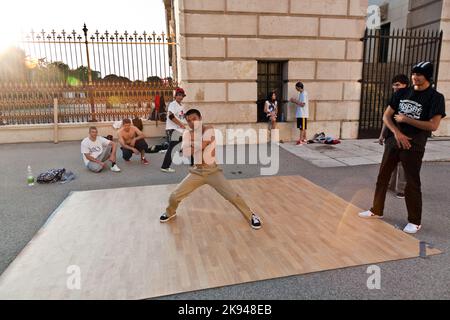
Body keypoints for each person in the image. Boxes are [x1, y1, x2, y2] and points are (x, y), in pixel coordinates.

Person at [359, 61, 446, 234]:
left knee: (411, 183)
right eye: (414, 73)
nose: (415, 76)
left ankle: (415, 221)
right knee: (382, 177)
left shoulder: (435, 97)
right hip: (394, 142)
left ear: (427, 76)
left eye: (419, 74)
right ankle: (376, 210)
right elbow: (386, 116)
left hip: (413, 145)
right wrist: (396, 133)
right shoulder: (402, 92)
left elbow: (433, 125)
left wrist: (407, 120)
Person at [159, 108, 262, 230]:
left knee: (232, 196)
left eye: (194, 119)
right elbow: (187, 152)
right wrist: (192, 144)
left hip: (212, 171)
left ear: (200, 119)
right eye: (189, 121)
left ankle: (251, 215)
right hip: (197, 171)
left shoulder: (209, 129)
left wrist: (192, 143)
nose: (192, 122)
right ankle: (170, 212)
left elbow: (202, 144)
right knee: (174, 196)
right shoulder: (187, 134)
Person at [378, 74, 410, 199]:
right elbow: (386, 119)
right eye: (394, 85)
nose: (395, 87)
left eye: (398, 85)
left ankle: (401, 189)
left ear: (405, 85)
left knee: (403, 163)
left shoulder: (409, 99)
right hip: (391, 137)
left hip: (405, 136)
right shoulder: (393, 98)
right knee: (389, 162)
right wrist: (381, 135)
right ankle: (389, 184)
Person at [161, 87, 187, 173]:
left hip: (179, 130)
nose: (180, 97)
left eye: (182, 95)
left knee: (174, 148)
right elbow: (170, 116)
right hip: (173, 129)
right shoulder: (173, 104)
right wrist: (181, 124)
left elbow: (182, 117)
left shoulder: (181, 106)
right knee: (172, 149)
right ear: (175, 96)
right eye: (178, 95)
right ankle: (165, 166)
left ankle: (193, 162)